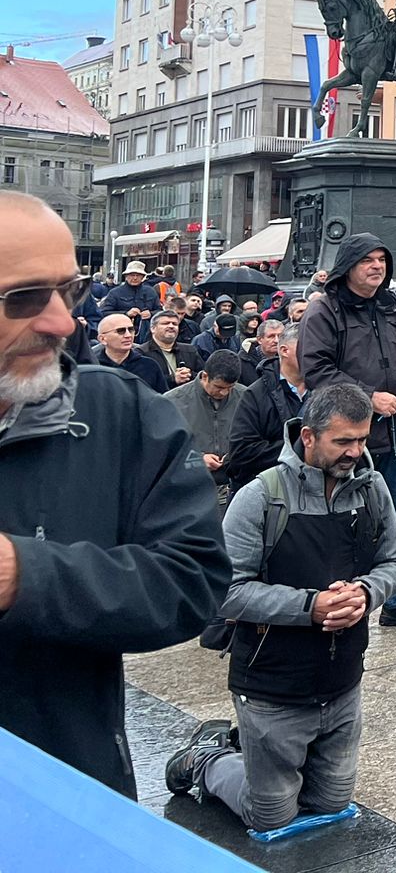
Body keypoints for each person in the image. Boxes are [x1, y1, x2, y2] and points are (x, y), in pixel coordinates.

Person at [0, 194, 229, 796]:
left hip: (66, 797)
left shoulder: (118, 410)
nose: (60, 322)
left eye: (69, 292)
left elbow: (194, 578)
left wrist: (26, 574)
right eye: (23, 299)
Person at [164, 381, 396, 829]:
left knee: (331, 806)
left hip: (342, 681)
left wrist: (367, 592)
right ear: (308, 436)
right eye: (343, 441)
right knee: (270, 816)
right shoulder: (260, 496)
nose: (356, 452)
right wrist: (312, 607)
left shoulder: (371, 489)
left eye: (362, 439)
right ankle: (208, 758)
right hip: (271, 684)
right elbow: (226, 591)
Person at [299, 232, 396, 625]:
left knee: (391, 520)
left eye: (382, 259)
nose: (377, 266)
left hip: (394, 437)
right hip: (342, 441)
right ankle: (336, 598)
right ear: (348, 266)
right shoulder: (324, 311)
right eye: (367, 260)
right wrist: (368, 398)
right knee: (341, 522)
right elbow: (318, 371)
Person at [227, 319, 309, 489]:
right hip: (270, 491)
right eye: (307, 347)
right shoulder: (255, 394)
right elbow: (242, 452)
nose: (316, 353)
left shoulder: (325, 390)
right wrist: (301, 449)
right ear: (284, 350)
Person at [167, 352, 248, 507]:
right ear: (204, 376)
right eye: (219, 387)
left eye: (230, 387)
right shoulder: (174, 401)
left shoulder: (245, 397)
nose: (224, 393)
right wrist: (197, 458)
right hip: (188, 492)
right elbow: (162, 450)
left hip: (235, 489)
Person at [90, 309, 169, 391]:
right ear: (102, 339)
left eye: (131, 330)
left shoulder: (149, 366)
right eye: (120, 331)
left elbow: (161, 399)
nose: (128, 335)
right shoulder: (92, 368)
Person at [141, 307, 200, 388]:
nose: (171, 326)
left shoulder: (190, 350)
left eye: (175, 324)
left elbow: (203, 376)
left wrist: (189, 375)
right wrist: (172, 379)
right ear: (153, 328)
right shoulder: (141, 353)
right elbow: (143, 382)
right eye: (166, 323)